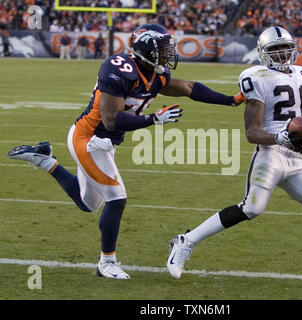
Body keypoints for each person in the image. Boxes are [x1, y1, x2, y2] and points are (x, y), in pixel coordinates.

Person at [7, 24, 245, 280]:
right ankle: (106, 263)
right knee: (116, 199)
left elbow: (188, 87)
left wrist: (231, 100)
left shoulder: (154, 73)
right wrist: (154, 119)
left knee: (88, 204)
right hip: (89, 139)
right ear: (146, 51)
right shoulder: (119, 70)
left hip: (104, 143)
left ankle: (44, 159)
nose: (168, 55)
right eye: (163, 50)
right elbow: (111, 120)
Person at [166, 26, 302, 295]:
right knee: (252, 208)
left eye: (285, 49)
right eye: (275, 50)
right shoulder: (255, 77)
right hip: (270, 154)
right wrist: (279, 137)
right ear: (263, 53)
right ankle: (185, 240)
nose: (282, 55)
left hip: (296, 159)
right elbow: (251, 133)